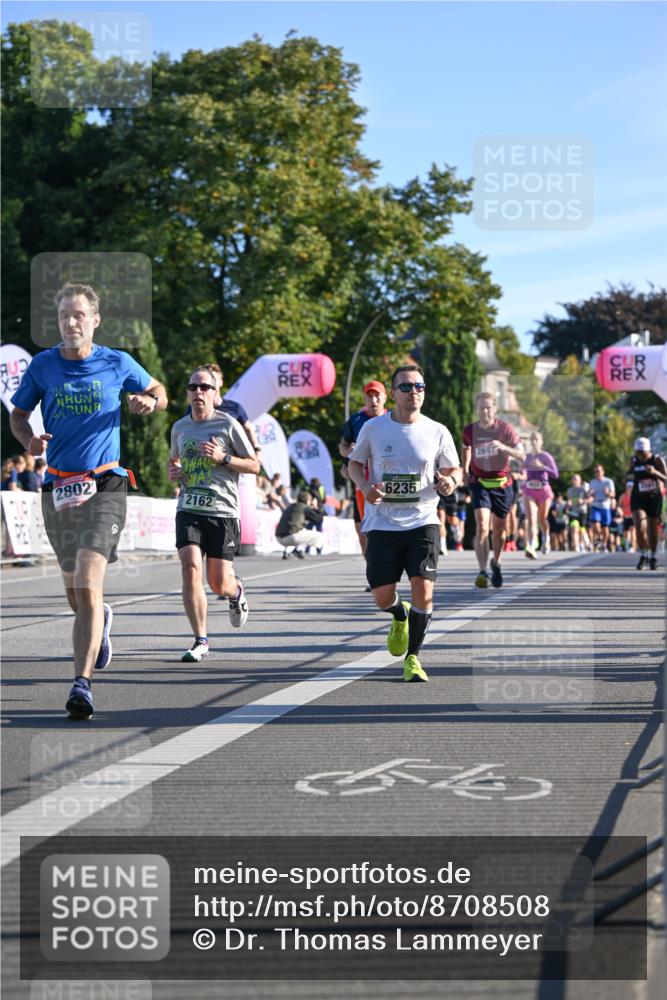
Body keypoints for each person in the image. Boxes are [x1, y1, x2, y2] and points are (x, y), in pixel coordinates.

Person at [9, 281, 167, 720]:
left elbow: (160, 390)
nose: (70, 322)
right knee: (76, 595)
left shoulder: (117, 362)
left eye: (78, 315)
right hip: (58, 487)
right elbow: (18, 415)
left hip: (105, 485)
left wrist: (147, 403)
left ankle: (82, 685)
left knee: (88, 581)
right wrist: (29, 440)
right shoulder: (43, 367)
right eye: (64, 316)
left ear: (95, 320)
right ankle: (100, 624)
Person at [348, 364, 461, 682]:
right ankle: (400, 614)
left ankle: (413, 658)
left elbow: (454, 470)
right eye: (408, 387)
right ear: (394, 393)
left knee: (424, 591)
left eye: (420, 387)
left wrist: (450, 483)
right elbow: (354, 464)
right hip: (383, 523)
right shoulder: (373, 428)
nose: (415, 392)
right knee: (382, 596)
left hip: (423, 521)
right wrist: (365, 487)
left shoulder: (437, 430)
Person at [169, 366, 259, 661]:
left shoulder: (228, 424)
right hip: (189, 507)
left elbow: (254, 464)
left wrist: (223, 458)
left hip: (222, 510)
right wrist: (174, 471)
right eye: (193, 387)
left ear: (215, 393)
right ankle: (201, 639)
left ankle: (235, 593)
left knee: (218, 583)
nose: (198, 392)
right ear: (188, 392)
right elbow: (176, 463)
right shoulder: (180, 427)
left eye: (204, 388)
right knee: (190, 567)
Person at [462, 392, 525, 589]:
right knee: (482, 525)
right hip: (479, 482)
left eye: (488, 407)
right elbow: (466, 448)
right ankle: (482, 571)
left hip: (502, 484)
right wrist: (465, 469)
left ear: (495, 409)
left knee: (499, 531)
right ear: (477, 409)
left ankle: (496, 562)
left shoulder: (505, 430)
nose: (485, 411)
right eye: (481, 407)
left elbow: (522, 454)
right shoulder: (470, 431)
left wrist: (504, 448)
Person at [339, 380, 388, 559]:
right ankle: (373, 576)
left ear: (385, 397)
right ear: (364, 398)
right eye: (369, 396)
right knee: (364, 534)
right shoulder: (355, 420)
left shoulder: (394, 418)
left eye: (377, 396)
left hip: (388, 482)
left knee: (386, 532)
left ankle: (387, 577)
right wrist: (350, 453)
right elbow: (342, 447)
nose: (373, 400)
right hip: (363, 484)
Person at [626, 437, 667, 570]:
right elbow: (627, 475)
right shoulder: (634, 460)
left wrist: (654, 472)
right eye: (638, 452)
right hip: (638, 498)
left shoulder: (657, 460)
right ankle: (643, 555)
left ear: (648, 450)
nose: (640, 455)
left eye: (642, 453)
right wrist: (629, 476)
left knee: (652, 529)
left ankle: (653, 556)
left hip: (653, 498)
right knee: (639, 525)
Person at [521, 431, 559, 557]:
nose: (534, 441)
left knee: (542, 519)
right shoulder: (527, 457)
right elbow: (523, 471)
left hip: (544, 490)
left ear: (541, 442)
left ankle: (545, 538)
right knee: (531, 518)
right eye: (532, 439)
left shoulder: (546, 457)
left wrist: (542, 467)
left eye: (537, 439)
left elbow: (555, 474)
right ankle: (532, 545)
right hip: (529, 489)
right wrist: (521, 474)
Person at [275, 490, 324, 558]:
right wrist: (316, 508)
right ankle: (298, 550)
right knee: (319, 536)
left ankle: (290, 550)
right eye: (310, 500)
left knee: (300, 530)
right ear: (307, 500)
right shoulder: (305, 508)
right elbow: (319, 520)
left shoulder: (290, 506)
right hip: (291, 538)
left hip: (278, 538)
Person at [588, 463, 616, 551]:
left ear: (603, 471)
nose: (597, 473)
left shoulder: (609, 481)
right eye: (595, 471)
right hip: (596, 505)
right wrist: (590, 494)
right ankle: (597, 544)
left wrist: (608, 493)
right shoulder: (592, 482)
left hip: (605, 506)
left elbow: (613, 494)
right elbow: (589, 495)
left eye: (599, 471)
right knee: (595, 525)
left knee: (605, 528)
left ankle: (604, 544)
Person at [566, 473, 589, 552]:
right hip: (573, 512)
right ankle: (576, 546)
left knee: (582, 530)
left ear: (580, 480)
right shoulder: (569, 490)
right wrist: (568, 505)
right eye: (573, 479)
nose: (574, 481)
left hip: (582, 512)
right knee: (574, 528)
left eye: (576, 479)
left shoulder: (584, 489)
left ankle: (585, 543)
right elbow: (569, 500)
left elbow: (590, 499)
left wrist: (583, 501)